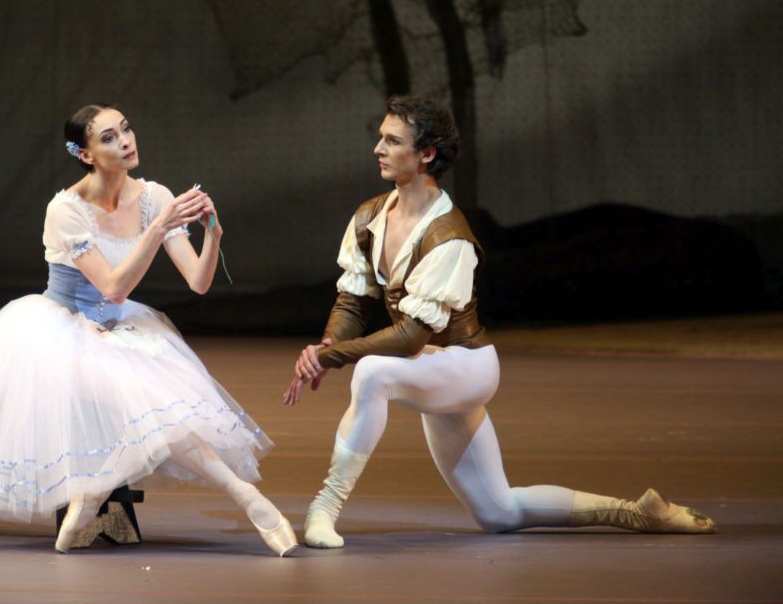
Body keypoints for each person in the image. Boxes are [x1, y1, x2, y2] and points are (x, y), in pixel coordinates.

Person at [284, 94, 715, 548]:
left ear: (427, 153)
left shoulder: (449, 236)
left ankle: (324, 507)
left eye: (393, 141)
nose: (379, 148)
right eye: (380, 138)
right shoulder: (370, 215)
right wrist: (325, 345)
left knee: (373, 373)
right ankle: (639, 513)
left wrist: (331, 357)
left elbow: (411, 337)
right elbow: (353, 299)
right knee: (498, 512)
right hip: (432, 368)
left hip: (465, 367)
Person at [0, 104, 297, 556]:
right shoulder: (66, 210)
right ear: (86, 153)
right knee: (156, 406)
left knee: (167, 407)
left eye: (126, 129)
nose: (125, 141)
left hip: (119, 326)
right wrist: (159, 229)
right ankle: (248, 500)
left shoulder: (153, 197)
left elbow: (199, 282)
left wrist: (214, 234)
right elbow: (112, 287)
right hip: (59, 332)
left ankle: (93, 493)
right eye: (108, 137)